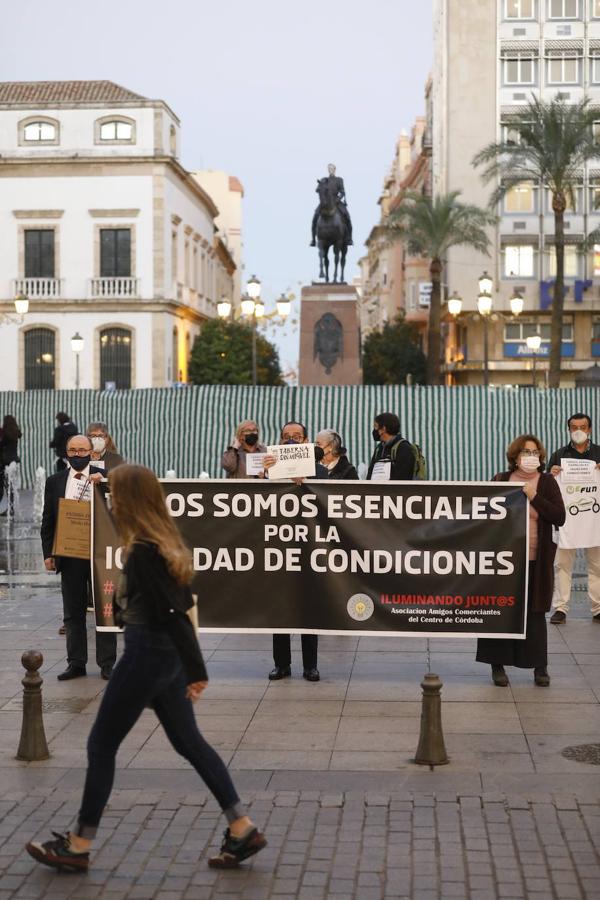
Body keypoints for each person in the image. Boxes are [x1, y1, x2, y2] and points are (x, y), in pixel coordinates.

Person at [26, 463, 267, 873]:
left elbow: (174, 612)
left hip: (145, 655)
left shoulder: (142, 552)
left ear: (131, 500)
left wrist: (197, 670)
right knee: (189, 743)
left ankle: (79, 844)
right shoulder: (162, 542)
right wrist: (186, 664)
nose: (111, 502)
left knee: (101, 745)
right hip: (163, 657)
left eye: (115, 495)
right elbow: (180, 607)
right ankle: (241, 827)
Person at [476, 435, 565, 687]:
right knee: (499, 610)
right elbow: (484, 514)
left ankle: (539, 667)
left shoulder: (546, 482)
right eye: (526, 452)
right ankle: (497, 665)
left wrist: (533, 496)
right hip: (504, 562)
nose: (531, 457)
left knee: (534, 614)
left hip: (536, 560)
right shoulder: (500, 480)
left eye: (535, 452)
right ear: (515, 457)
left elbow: (559, 516)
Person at [41, 434, 117, 681]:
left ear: (91, 453)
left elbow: (125, 499)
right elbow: (47, 520)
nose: (77, 455)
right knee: (73, 612)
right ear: (66, 452)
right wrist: (48, 553)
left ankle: (107, 664)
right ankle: (76, 663)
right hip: (69, 554)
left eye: (82, 450)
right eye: (72, 450)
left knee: (105, 611)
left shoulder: (105, 476)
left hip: (100, 555)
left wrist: (105, 482)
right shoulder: (54, 481)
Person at [264, 421, 327, 682]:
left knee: (308, 606)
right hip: (279, 547)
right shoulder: (269, 469)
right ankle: (282, 664)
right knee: (280, 606)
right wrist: (265, 474)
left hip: (309, 547)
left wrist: (306, 482)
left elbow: (329, 497)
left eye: (297, 436)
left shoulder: (318, 469)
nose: (291, 440)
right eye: (286, 436)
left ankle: (310, 665)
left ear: (306, 441)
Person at [548, 413, 600, 625]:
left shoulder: (599, 453)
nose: (578, 430)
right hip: (567, 520)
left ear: (590, 429)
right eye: (574, 427)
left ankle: (598, 608)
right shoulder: (559, 455)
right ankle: (561, 608)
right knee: (562, 564)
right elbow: (548, 486)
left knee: (597, 565)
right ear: (568, 429)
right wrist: (551, 473)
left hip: (595, 520)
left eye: (583, 427)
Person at [310, 163, 353, 246]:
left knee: (347, 216)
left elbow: (342, 192)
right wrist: (320, 186)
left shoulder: (339, 180)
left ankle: (349, 238)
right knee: (315, 216)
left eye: (332, 169)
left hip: (336, 200)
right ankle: (313, 240)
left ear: (335, 170)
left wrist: (338, 199)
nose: (330, 170)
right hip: (325, 202)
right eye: (329, 169)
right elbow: (317, 189)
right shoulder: (324, 179)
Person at [367, 413, 417, 481]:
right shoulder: (379, 448)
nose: (374, 430)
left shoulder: (403, 448)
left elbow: (403, 476)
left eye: (376, 427)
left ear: (383, 429)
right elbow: (370, 473)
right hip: (377, 487)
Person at [0, 414, 21, 515]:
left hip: (5, 462)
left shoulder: (4, 433)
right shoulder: (16, 432)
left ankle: (10, 509)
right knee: (10, 486)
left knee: (2, 485)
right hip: (14, 461)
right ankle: (11, 508)